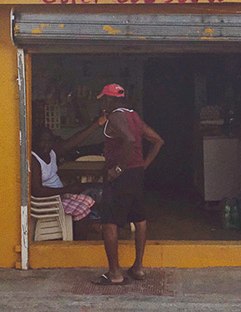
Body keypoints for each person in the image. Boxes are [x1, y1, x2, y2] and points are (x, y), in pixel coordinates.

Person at [93, 83, 164, 285]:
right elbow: (157, 140)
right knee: (139, 219)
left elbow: (130, 140)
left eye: (104, 100)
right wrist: (143, 165)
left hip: (121, 176)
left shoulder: (116, 116)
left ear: (110, 100)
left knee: (109, 222)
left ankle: (115, 273)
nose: (103, 104)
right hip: (136, 174)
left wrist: (117, 169)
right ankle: (138, 267)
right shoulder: (134, 116)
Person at [31, 118, 105, 239]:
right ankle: (78, 241)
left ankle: (84, 230)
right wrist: (67, 189)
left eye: (49, 141)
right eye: (42, 141)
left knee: (93, 197)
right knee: (82, 209)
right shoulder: (34, 160)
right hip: (48, 201)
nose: (46, 144)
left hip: (59, 195)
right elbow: (37, 191)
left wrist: (96, 124)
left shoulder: (51, 151)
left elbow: (73, 141)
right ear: (34, 142)